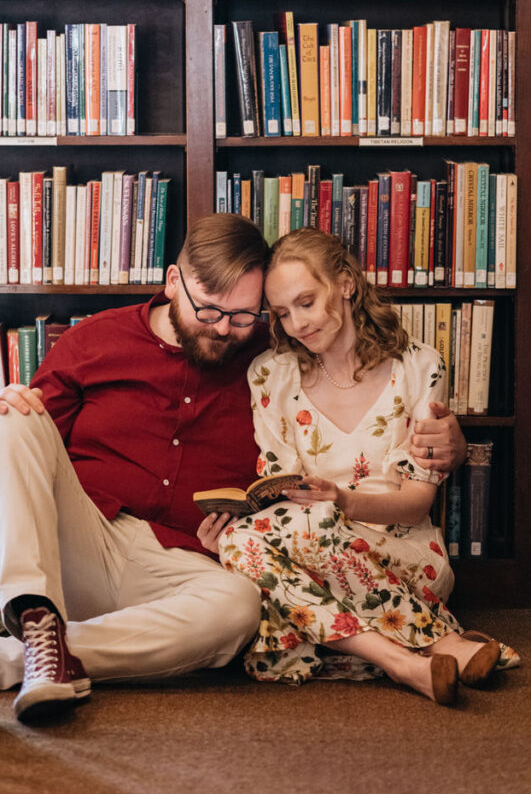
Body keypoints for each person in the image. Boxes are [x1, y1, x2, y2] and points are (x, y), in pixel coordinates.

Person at [0, 215, 468, 723]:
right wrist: (5, 409)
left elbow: (366, 386)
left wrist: (448, 444)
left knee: (238, 608)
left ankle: (28, 658)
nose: (223, 328)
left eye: (242, 316)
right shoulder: (94, 340)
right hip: (82, 539)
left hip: (179, 561)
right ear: (174, 281)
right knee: (16, 415)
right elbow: (21, 459)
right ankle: (35, 616)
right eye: (210, 310)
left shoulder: (274, 355)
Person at [198, 227, 518, 704]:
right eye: (282, 313)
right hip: (309, 548)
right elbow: (278, 490)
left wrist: (343, 502)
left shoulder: (419, 367)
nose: (296, 325)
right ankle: (413, 659)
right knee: (243, 536)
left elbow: (417, 504)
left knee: (270, 566)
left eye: (306, 302)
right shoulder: (269, 374)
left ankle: (385, 648)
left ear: (345, 284)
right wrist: (242, 517)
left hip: (404, 552)